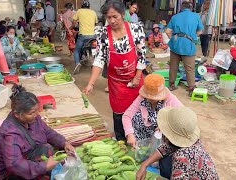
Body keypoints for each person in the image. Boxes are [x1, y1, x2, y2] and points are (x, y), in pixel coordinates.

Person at [83, 0, 146, 141]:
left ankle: (137, 140)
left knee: (138, 112)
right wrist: (91, 83)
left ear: (123, 14)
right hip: (116, 83)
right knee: (119, 114)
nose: (111, 20)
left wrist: (137, 77)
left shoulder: (135, 29)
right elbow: (99, 59)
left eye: (115, 16)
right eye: (108, 17)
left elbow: (142, 54)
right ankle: (121, 141)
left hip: (135, 79)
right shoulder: (103, 33)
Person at [0, 85, 75, 179]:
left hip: (29, 155)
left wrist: (64, 143)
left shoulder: (32, 119)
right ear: (17, 114)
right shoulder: (11, 133)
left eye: (37, 110)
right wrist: (44, 166)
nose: (36, 115)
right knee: (46, 158)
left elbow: (47, 132)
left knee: (47, 149)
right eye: (32, 113)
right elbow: (14, 164)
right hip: (10, 173)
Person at [136, 106, 219, 180]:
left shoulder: (181, 156)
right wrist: (144, 165)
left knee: (164, 164)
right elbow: (166, 148)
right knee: (165, 160)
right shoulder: (190, 139)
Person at [122, 74, 183, 146]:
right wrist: (130, 134)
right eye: (148, 97)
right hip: (144, 130)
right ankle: (140, 143)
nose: (151, 99)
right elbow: (127, 116)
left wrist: (166, 125)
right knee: (136, 117)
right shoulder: (141, 97)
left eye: (154, 97)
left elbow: (183, 118)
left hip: (161, 133)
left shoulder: (171, 100)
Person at [165, 1, 203, 96]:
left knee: (173, 66)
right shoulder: (196, 16)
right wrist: (193, 36)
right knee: (190, 68)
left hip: (176, 43)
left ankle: (172, 85)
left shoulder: (175, 17)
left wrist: (173, 39)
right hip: (188, 44)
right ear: (191, 8)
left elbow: (168, 31)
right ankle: (191, 89)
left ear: (181, 8)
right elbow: (200, 31)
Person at [72, 0, 98, 74]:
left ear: (82, 6)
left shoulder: (79, 11)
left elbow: (74, 22)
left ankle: (77, 63)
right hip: (93, 35)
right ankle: (95, 63)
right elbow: (96, 23)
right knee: (96, 48)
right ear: (89, 6)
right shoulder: (93, 12)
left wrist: (72, 27)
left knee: (77, 50)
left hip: (83, 35)